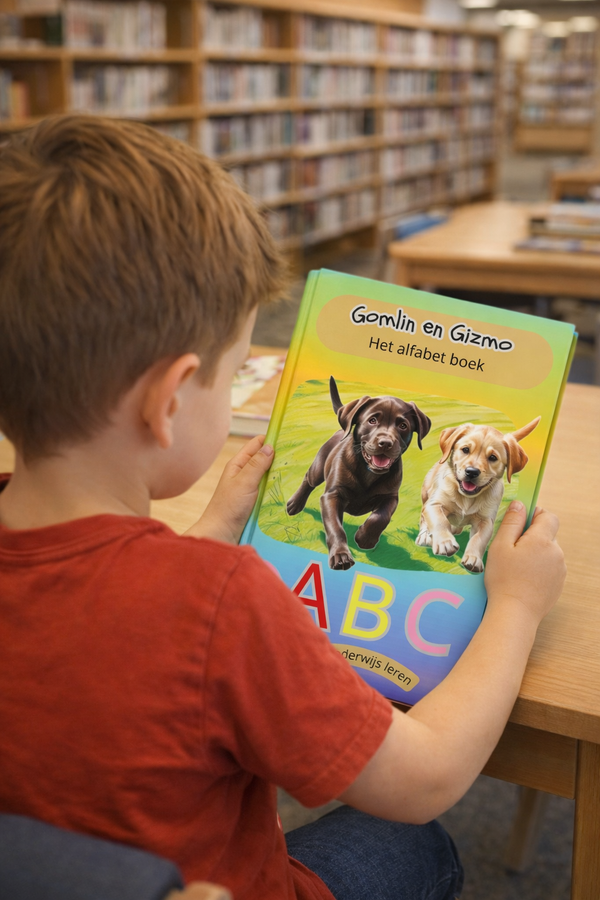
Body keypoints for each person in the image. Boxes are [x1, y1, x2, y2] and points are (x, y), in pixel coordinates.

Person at [0, 116, 566, 900]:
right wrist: (519, 606)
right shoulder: (222, 603)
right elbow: (427, 777)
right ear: (171, 401)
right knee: (414, 841)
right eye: (239, 367)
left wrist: (211, 530)